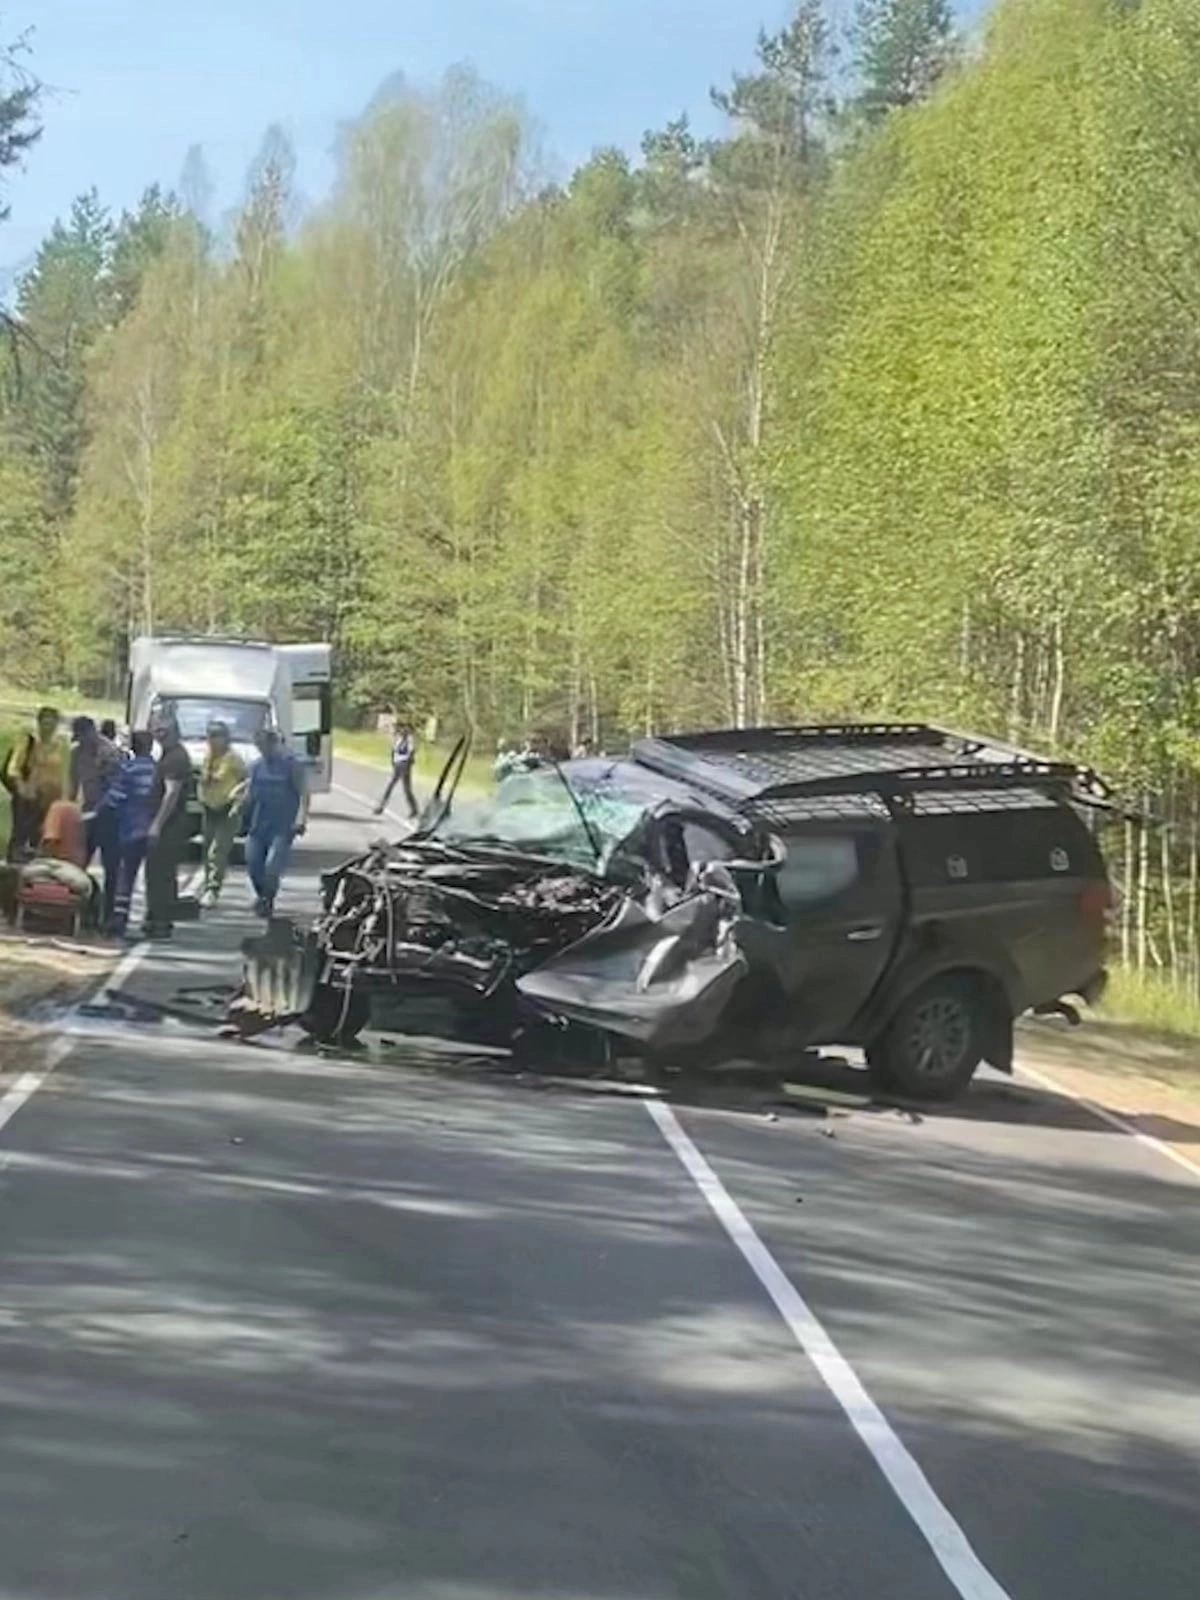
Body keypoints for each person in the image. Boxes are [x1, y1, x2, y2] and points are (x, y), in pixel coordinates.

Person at [244, 728, 308, 918]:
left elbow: (304, 793)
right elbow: (250, 792)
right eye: (259, 747)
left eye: (265, 746)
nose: (263, 750)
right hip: (258, 823)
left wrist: (301, 819)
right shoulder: (256, 766)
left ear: (274, 743)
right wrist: (239, 807)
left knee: (272, 866)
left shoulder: (292, 765)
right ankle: (262, 895)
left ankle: (267, 900)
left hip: (282, 825)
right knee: (254, 865)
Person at [142, 709, 194, 940]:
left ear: (175, 731)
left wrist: (156, 824)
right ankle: (156, 919)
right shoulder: (167, 754)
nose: (159, 734)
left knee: (160, 873)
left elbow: (172, 794)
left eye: (163, 730)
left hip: (169, 825)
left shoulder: (176, 758)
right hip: (168, 824)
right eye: (155, 729)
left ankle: (161, 921)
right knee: (158, 872)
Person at [102, 730, 157, 938]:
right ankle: (153, 918)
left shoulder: (128, 769)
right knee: (153, 875)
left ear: (133, 747)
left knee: (126, 873)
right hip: (153, 828)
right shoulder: (157, 769)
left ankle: (119, 918)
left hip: (130, 828)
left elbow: (115, 798)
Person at [69, 715, 122, 926]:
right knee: (78, 863)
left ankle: (109, 916)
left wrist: (99, 810)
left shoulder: (109, 752)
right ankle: (80, 913)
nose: (81, 741)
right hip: (88, 812)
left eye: (83, 736)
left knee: (111, 868)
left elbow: (116, 788)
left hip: (110, 815)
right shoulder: (76, 753)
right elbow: (73, 784)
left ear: (92, 732)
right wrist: (70, 810)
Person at [3, 706, 69, 862]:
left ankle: (35, 874)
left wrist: (64, 800)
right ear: (39, 723)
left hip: (49, 801)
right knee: (20, 836)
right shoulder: (29, 742)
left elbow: (64, 775)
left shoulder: (60, 746)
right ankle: (13, 872)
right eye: (45, 724)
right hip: (28, 800)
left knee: (42, 839)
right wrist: (22, 787)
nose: (49, 729)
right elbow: (13, 769)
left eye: (52, 724)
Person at [197, 720, 247, 907]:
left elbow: (247, 780)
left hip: (227, 808)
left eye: (217, 736)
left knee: (217, 851)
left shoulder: (233, 759)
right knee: (206, 848)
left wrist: (238, 798)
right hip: (209, 807)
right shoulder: (208, 757)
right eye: (210, 736)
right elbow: (203, 779)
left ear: (226, 739)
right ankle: (206, 885)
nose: (213, 740)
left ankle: (213, 889)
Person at [375, 719, 418, 820]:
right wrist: (393, 762)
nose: (401, 730)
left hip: (404, 764)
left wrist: (408, 763)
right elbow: (394, 751)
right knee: (390, 786)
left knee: (406, 789)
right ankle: (381, 806)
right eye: (400, 728)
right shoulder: (398, 739)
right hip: (397, 764)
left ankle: (414, 809)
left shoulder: (410, 739)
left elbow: (411, 752)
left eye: (403, 728)